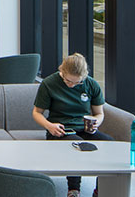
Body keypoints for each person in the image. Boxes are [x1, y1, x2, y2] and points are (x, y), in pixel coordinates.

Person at [33, 52, 111, 197]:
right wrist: (50, 126)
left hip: (85, 129)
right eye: (68, 81)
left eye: (77, 82)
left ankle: (100, 189)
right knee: (78, 145)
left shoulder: (91, 84)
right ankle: (73, 190)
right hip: (60, 131)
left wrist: (96, 122)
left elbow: (99, 113)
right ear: (62, 71)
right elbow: (37, 113)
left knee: (110, 144)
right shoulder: (49, 83)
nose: (72, 85)